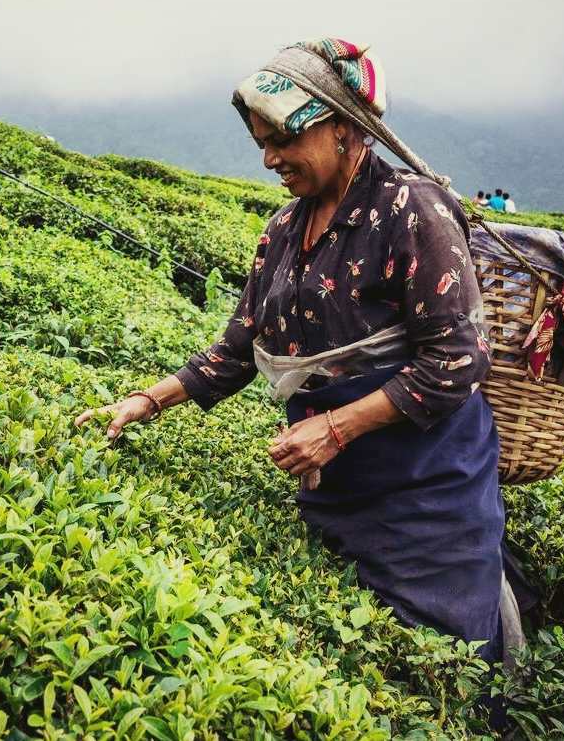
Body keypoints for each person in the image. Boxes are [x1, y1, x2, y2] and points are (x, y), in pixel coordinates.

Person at [75, 38, 534, 675]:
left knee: (443, 654)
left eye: (283, 142)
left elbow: (457, 361)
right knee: (359, 649)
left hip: (426, 484)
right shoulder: (283, 231)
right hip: (337, 484)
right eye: (261, 143)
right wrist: (147, 400)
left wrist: (337, 426)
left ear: (344, 129)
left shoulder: (411, 209)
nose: (269, 159)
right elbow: (239, 348)